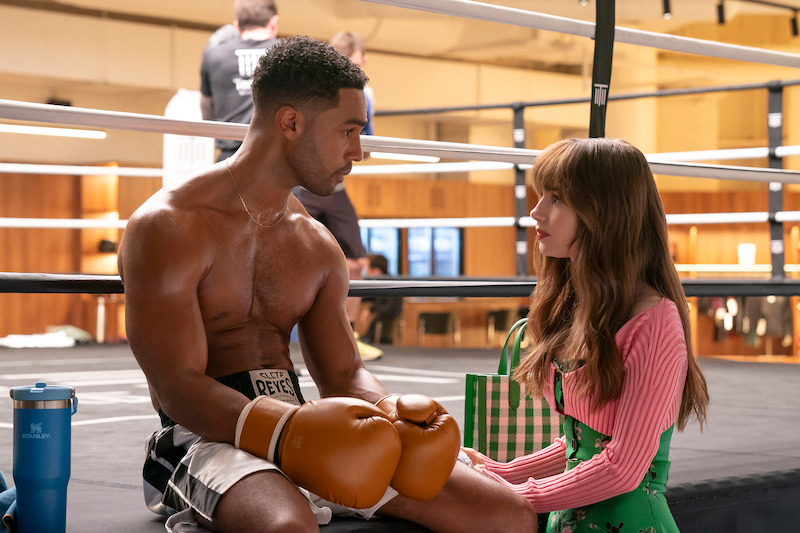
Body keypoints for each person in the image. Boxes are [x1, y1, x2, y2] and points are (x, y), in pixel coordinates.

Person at [119, 36, 538, 533]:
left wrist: (389, 413)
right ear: (291, 123)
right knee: (286, 527)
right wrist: (286, 431)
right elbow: (177, 388)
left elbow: (343, 374)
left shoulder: (316, 245)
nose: (358, 151)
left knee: (506, 515)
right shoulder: (168, 227)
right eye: (348, 130)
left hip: (308, 427)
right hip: (204, 435)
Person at [461, 138, 710, 532]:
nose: (537, 212)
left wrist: (509, 493)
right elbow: (579, 445)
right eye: (542, 195)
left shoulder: (655, 320)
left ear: (605, 212)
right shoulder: (575, 305)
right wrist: (497, 472)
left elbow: (623, 467)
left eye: (556, 199)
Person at [293, 31, 379, 361]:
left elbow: (363, 149)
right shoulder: (313, 90)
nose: (366, 61)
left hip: (336, 188)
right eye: (361, 56)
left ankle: (351, 336)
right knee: (287, 255)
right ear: (351, 57)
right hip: (305, 186)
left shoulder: (364, 94)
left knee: (357, 261)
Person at [200, 0, 279, 162]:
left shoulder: (213, 55)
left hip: (230, 160)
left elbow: (207, 109)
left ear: (237, 26)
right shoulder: (289, 53)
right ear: (274, 22)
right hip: (278, 158)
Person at [359, 253, 404, 344]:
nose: (366, 272)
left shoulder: (390, 284)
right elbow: (370, 297)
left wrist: (371, 311)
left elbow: (390, 309)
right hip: (380, 327)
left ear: (376, 271)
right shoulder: (384, 283)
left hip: (384, 330)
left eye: (367, 268)